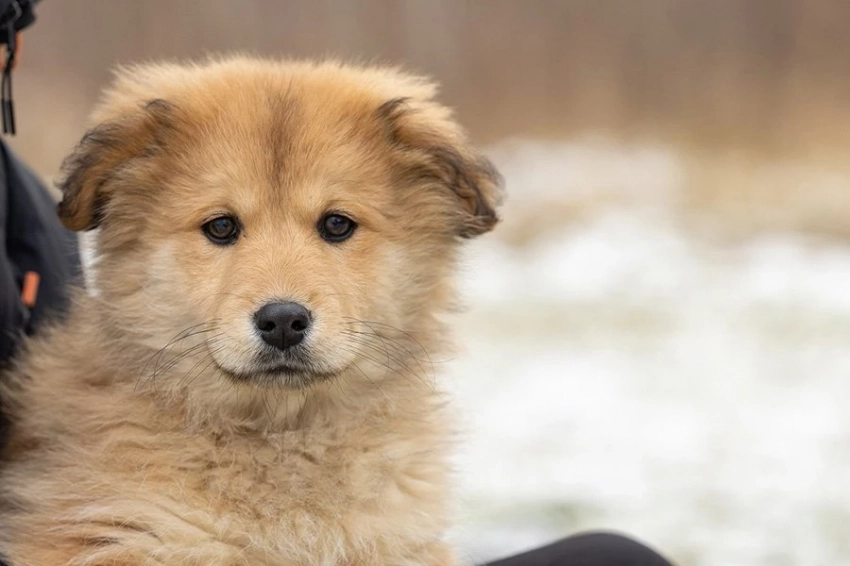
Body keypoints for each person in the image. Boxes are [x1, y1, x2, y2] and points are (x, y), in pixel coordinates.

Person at [0, 4, 672, 565]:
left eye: (338, 225)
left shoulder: (23, 217)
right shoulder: (107, 459)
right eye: (223, 228)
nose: (281, 299)